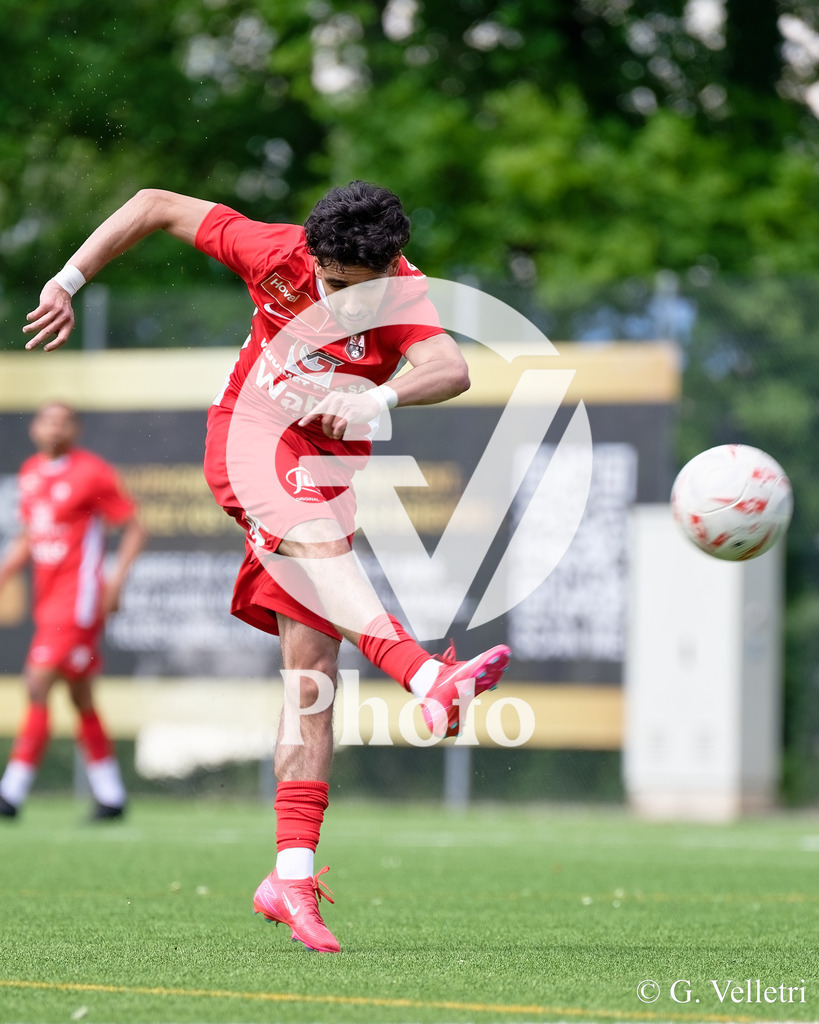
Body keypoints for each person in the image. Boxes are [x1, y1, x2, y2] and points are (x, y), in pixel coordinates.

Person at [22, 181, 510, 952]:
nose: (344, 306)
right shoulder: (275, 251)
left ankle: (289, 876)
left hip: (325, 475)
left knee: (311, 682)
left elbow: (451, 367)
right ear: (310, 255)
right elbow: (153, 203)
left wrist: (377, 401)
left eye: (361, 291)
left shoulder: (400, 294)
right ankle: (422, 675)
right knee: (316, 546)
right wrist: (67, 279)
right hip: (249, 443)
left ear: (391, 268)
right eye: (332, 286)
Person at [0, 402, 147, 821]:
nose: (54, 428)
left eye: (62, 422)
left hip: (78, 600)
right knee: (80, 697)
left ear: (75, 430)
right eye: (47, 420)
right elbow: (31, 534)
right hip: (48, 600)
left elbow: (136, 527)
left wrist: (115, 582)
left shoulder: (91, 472)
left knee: (37, 683)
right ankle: (111, 796)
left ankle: (10, 793)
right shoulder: (31, 473)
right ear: (34, 428)